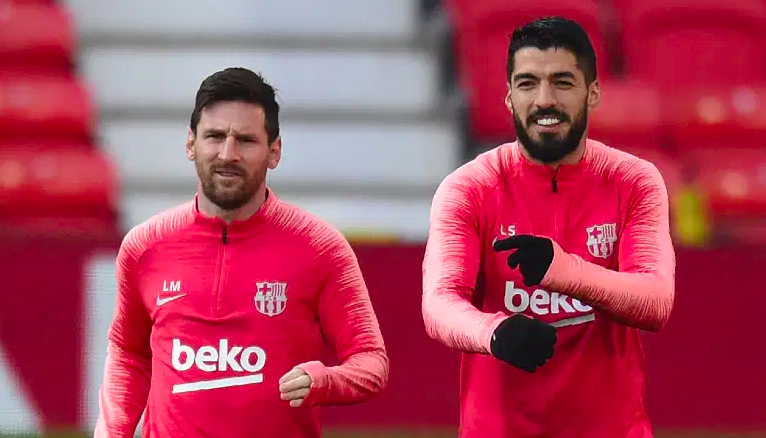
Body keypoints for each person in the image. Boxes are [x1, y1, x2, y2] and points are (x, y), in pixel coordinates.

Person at [94, 67, 389, 438]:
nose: (228, 154)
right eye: (215, 136)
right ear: (191, 143)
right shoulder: (145, 245)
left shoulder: (320, 247)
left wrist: (325, 381)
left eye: (245, 140)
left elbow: (371, 362)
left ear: (274, 151)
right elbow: (130, 354)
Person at [422, 17, 675, 438]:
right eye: (528, 83)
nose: (544, 100)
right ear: (509, 97)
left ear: (593, 93)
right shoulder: (469, 188)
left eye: (562, 82)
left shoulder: (634, 181)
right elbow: (439, 303)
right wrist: (494, 331)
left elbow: (655, 300)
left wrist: (560, 270)